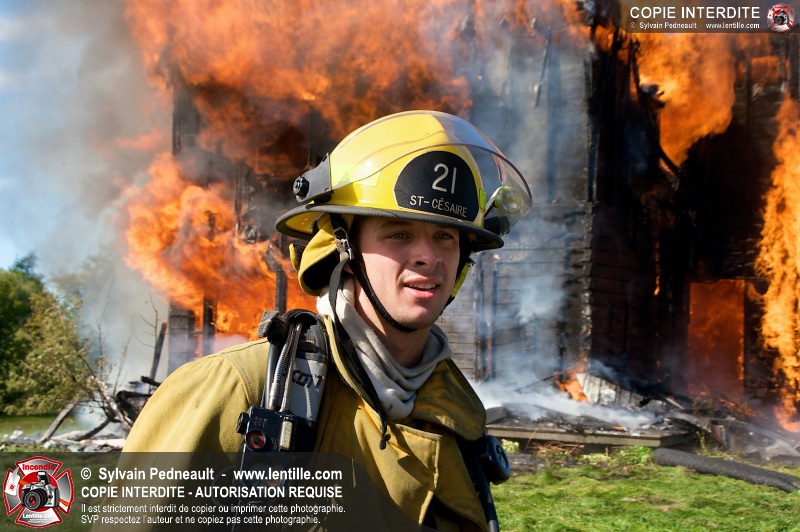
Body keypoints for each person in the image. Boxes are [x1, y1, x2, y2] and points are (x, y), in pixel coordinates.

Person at [122, 110, 532, 530]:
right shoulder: (238, 388)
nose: (428, 256)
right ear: (344, 249)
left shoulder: (457, 418)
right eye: (399, 233)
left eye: (445, 236)